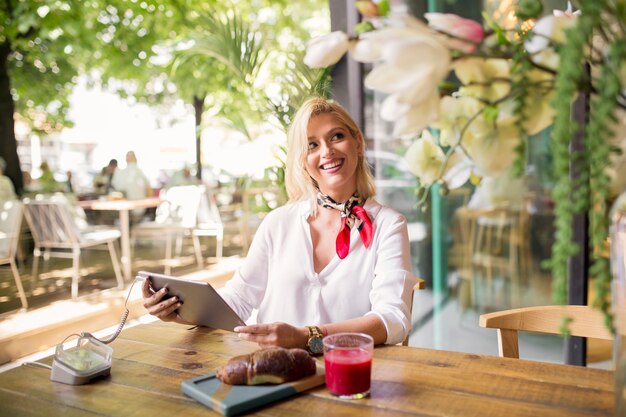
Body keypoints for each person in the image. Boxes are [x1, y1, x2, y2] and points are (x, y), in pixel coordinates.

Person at [142, 97, 417, 351]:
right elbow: (239, 300)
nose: (327, 151)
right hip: (273, 373)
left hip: (345, 376)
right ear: (303, 160)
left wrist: (307, 337)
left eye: (337, 136)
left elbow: (392, 319)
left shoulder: (388, 225)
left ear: (358, 143)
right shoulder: (278, 223)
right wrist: (177, 311)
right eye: (312, 145)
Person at [112, 151, 152, 218]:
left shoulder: (119, 173)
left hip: (123, 209)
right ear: (136, 159)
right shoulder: (141, 172)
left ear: (126, 159)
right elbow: (149, 191)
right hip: (140, 209)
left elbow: (115, 189)